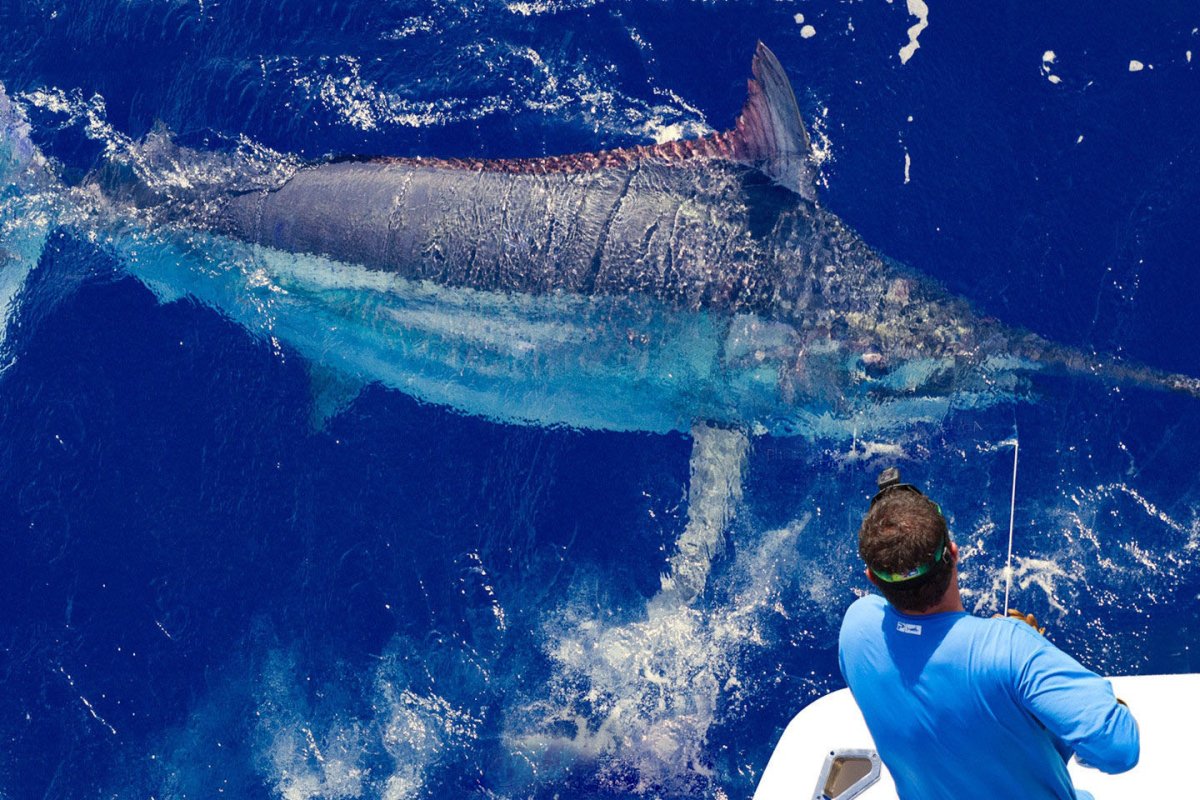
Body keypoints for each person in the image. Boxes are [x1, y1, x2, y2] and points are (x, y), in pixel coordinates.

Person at [838, 468, 1139, 800]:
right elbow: (1119, 749)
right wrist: (1028, 649)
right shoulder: (1008, 648)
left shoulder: (856, 627)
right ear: (953, 553)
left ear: (871, 577)